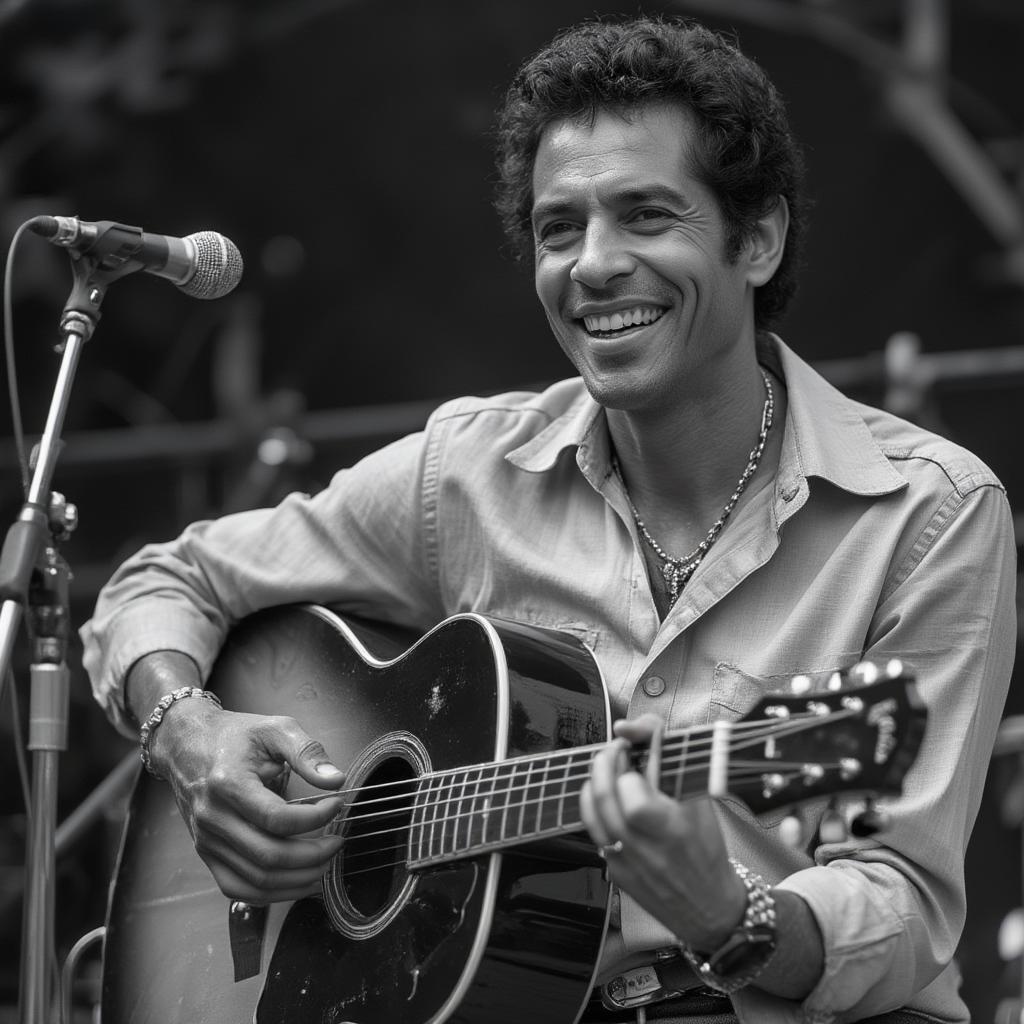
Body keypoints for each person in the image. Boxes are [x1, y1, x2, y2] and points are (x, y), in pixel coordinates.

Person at [81, 15, 1016, 1024]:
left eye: (647, 215)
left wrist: (729, 915)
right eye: (559, 228)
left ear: (757, 238)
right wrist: (189, 731)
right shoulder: (468, 475)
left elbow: (904, 903)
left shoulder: (929, 508)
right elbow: (158, 584)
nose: (593, 264)